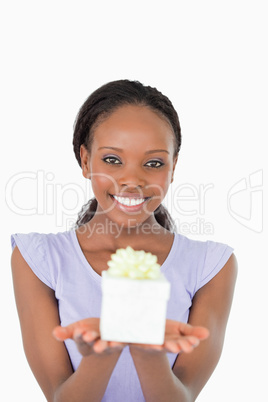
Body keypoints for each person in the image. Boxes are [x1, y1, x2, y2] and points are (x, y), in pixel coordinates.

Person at [11, 79, 237, 402]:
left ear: (173, 169)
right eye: (113, 160)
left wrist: (147, 351)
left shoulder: (211, 266)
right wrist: (104, 351)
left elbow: (183, 396)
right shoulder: (38, 259)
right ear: (86, 161)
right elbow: (59, 396)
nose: (132, 180)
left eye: (154, 163)